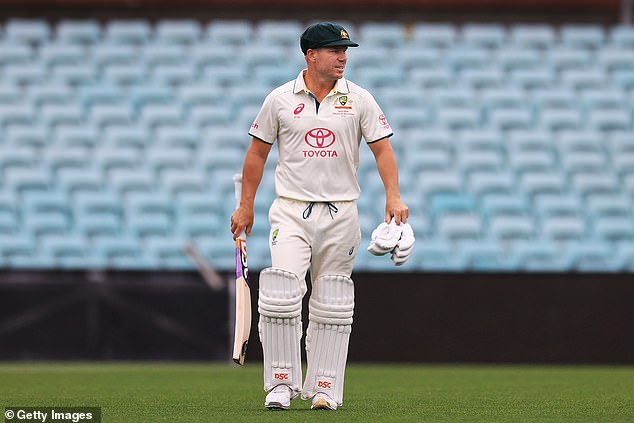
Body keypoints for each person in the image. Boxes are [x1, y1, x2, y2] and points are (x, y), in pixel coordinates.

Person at [230, 21, 409, 411]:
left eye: (345, 51)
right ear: (311, 55)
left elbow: (383, 150)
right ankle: (280, 384)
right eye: (334, 50)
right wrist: (246, 205)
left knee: (332, 301)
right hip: (291, 211)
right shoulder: (279, 99)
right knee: (280, 295)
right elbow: (257, 153)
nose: (343, 57)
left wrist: (393, 197)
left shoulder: (359, 99)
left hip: (341, 213)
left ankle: (324, 386)